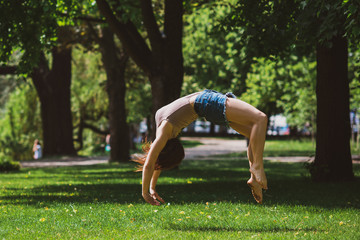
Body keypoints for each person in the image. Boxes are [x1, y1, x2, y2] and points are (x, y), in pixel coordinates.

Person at [133, 89, 268, 205]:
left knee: (254, 133)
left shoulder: (163, 133)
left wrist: (147, 191)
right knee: (260, 118)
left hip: (206, 104)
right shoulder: (162, 129)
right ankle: (257, 167)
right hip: (206, 103)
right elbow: (155, 161)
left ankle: (254, 177)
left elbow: (152, 164)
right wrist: (149, 188)